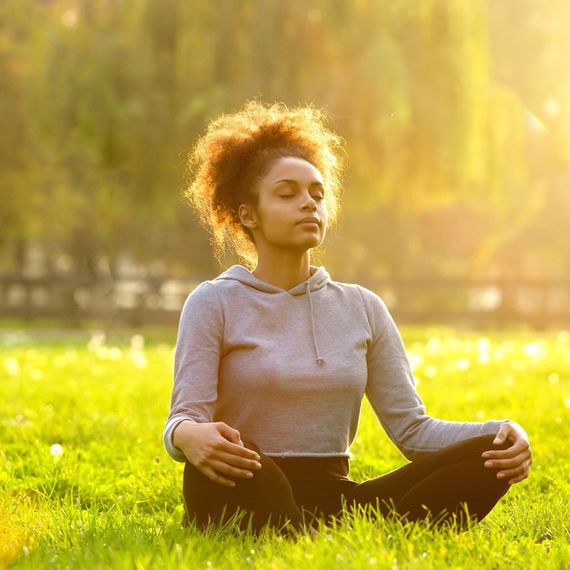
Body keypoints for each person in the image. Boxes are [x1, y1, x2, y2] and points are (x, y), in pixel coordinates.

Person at [163, 100, 532, 539]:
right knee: (230, 471)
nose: (308, 204)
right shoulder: (213, 302)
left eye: (317, 194)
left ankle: (306, 531)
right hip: (247, 480)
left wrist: (503, 432)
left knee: (490, 456)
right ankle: (302, 529)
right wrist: (187, 437)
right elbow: (184, 418)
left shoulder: (362, 307)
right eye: (288, 193)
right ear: (248, 214)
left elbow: (413, 430)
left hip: (338, 498)